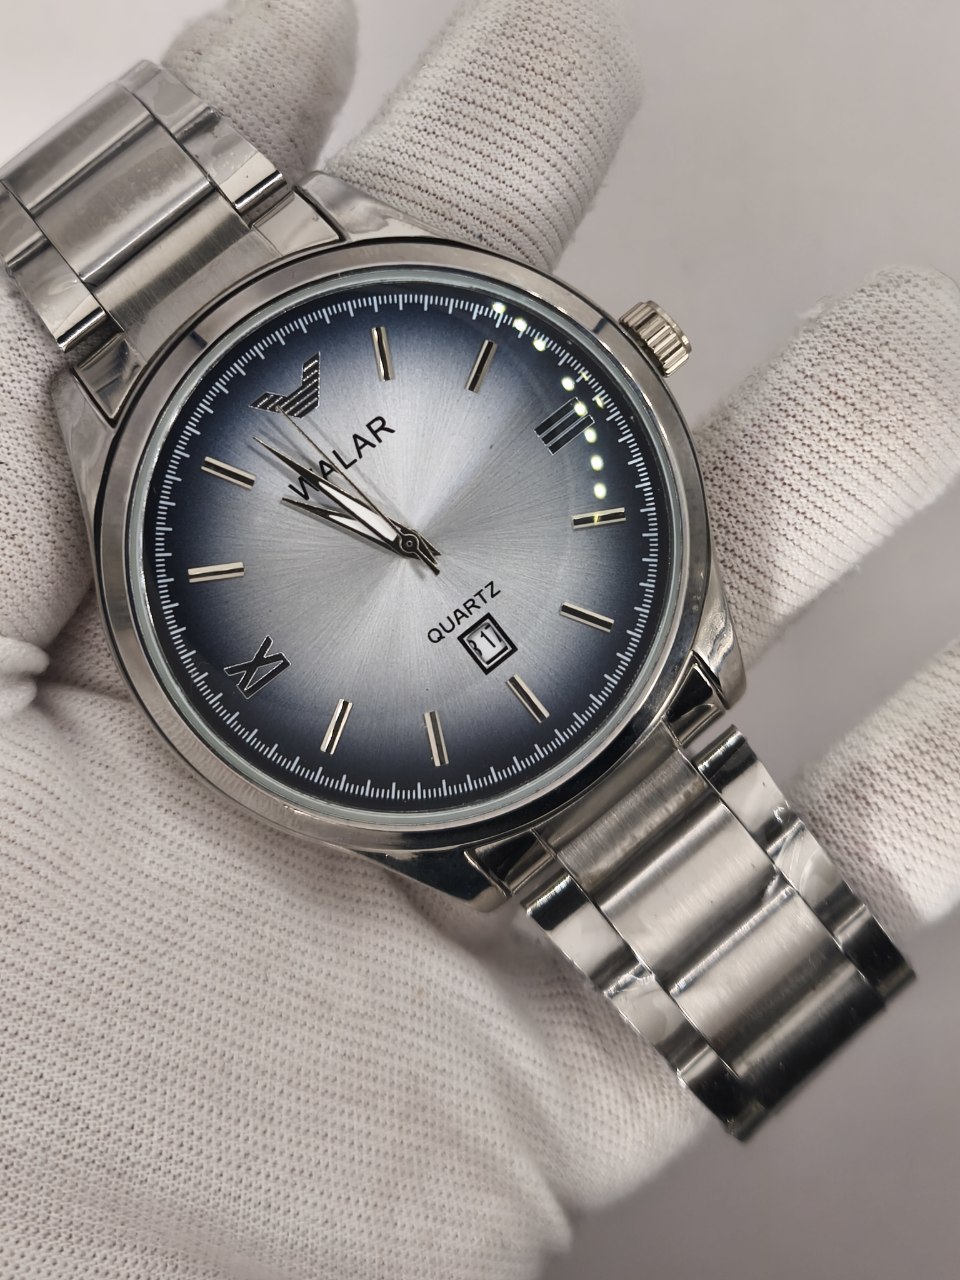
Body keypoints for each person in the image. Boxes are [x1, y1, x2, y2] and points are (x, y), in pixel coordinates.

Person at [1, 1, 958, 1276]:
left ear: (634, 361)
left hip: (597, 676)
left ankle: (796, 1001)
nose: (409, 550)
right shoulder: (151, 543)